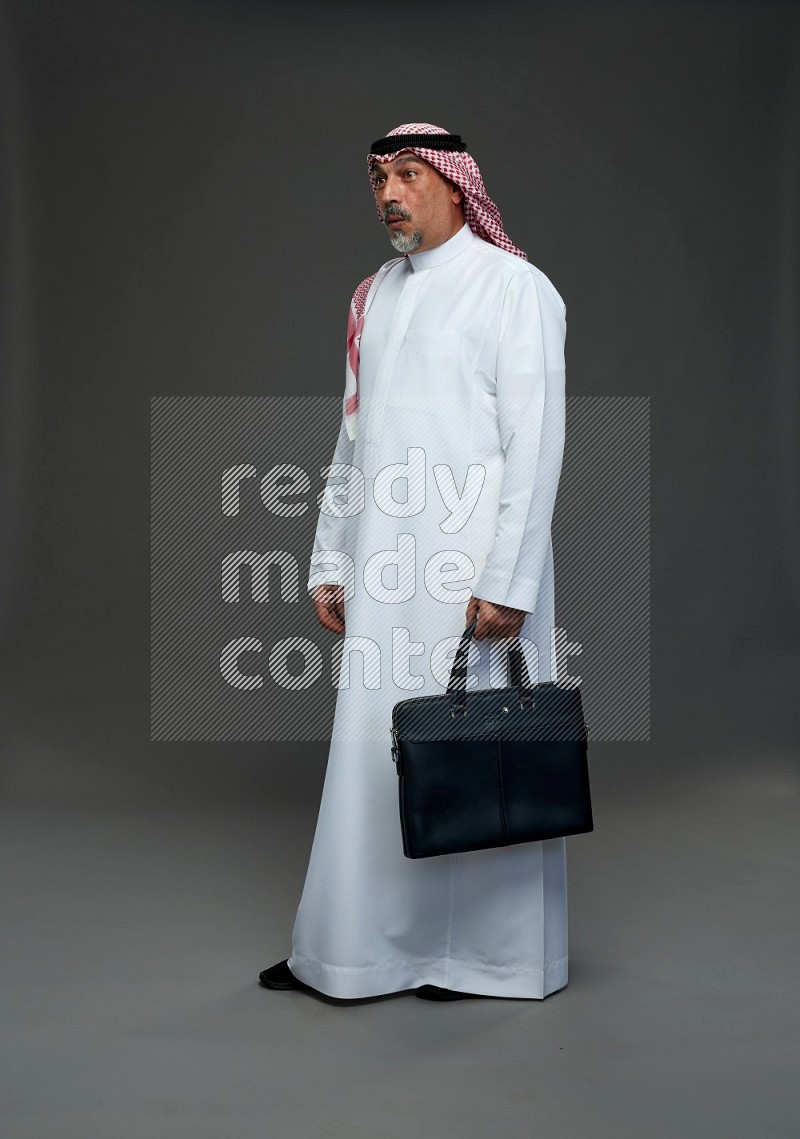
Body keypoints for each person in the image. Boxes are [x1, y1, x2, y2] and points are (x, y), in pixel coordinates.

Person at [260, 122, 568, 1001]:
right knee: (374, 752)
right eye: (379, 179)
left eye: (407, 175)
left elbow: (536, 443)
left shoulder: (515, 288)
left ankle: (487, 959)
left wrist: (508, 582)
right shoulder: (374, 297)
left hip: (473, 573)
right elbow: (353, 438)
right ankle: (358, 952)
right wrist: (331, 558)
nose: (390, 193)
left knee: (480, 751)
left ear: (455, 184)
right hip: (385, 564)